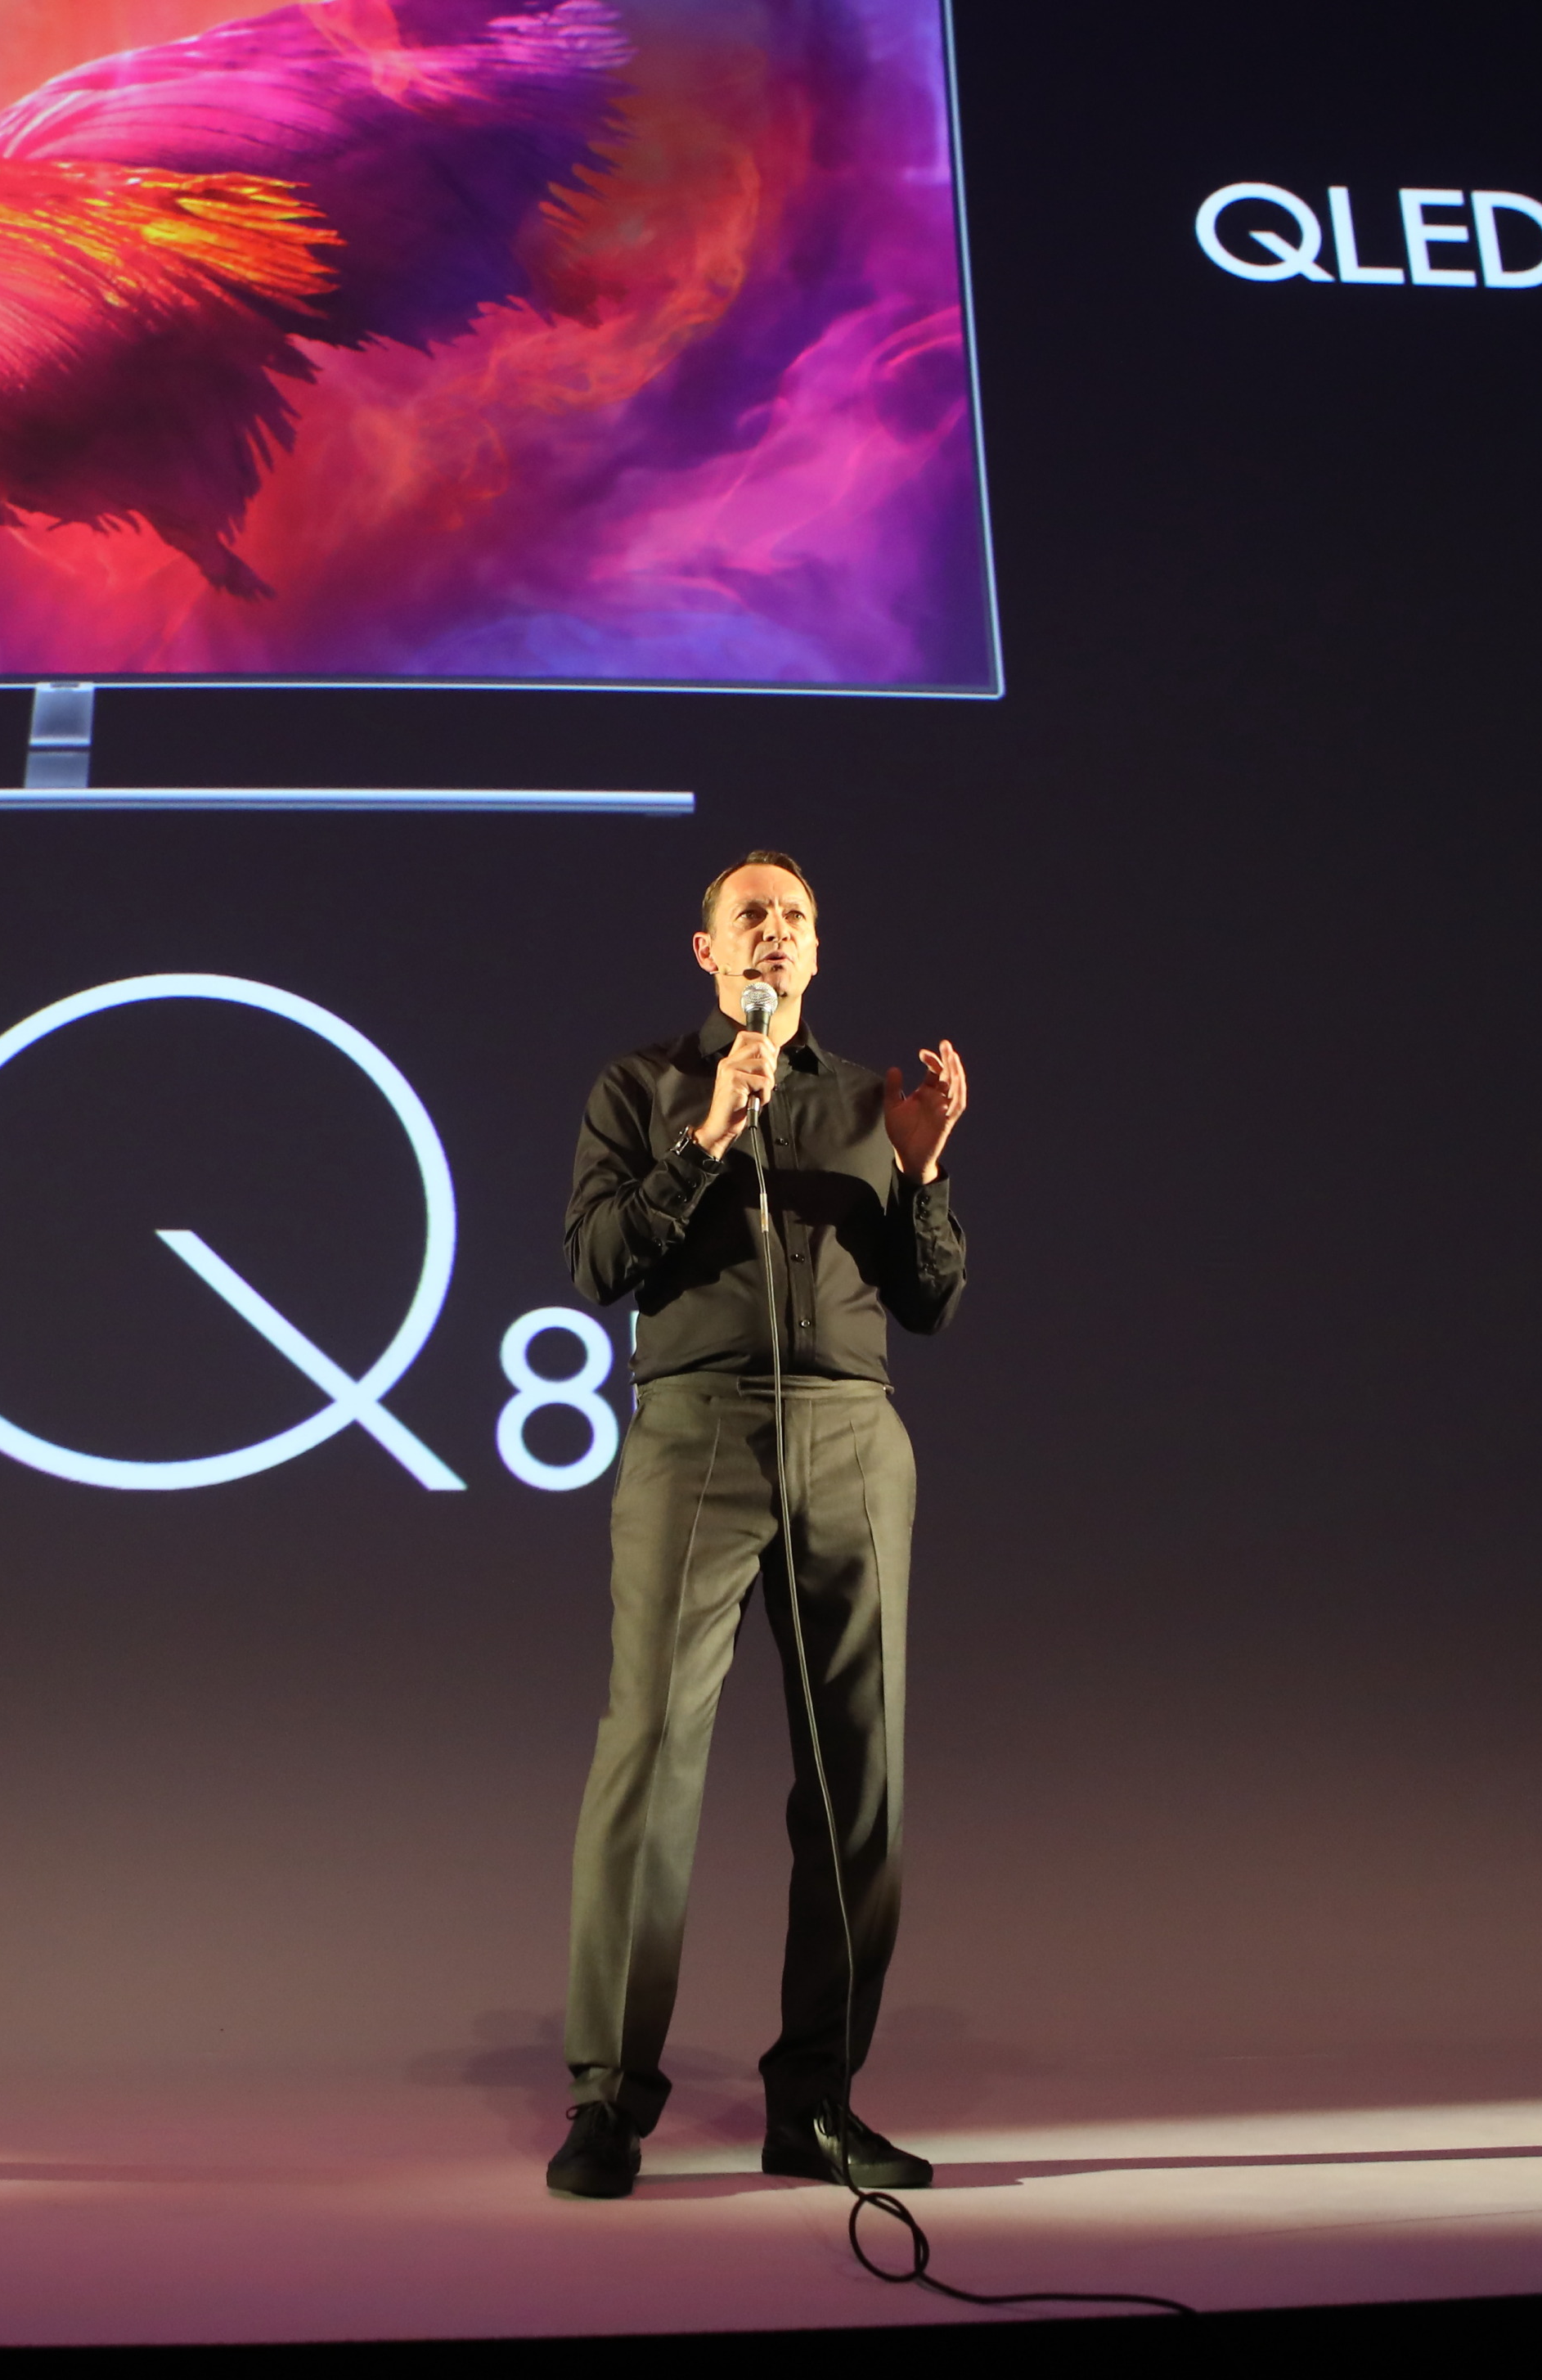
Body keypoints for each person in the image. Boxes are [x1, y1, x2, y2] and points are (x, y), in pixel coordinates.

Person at [546, 849, 971, 2201]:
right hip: (697, 1432)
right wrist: (707, 1138)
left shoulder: (865, 1100)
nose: (775, 931)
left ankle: (818, 2103)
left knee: (861, 1771)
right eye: (752, 915)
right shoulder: (645, 1085)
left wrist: (923, 1170)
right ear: (709, 951)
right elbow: (597, 1262)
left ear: (817, 950)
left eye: (795, 916)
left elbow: (930, 1302)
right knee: (651, 1752)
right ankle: (608, 2101)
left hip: (851, 1436)